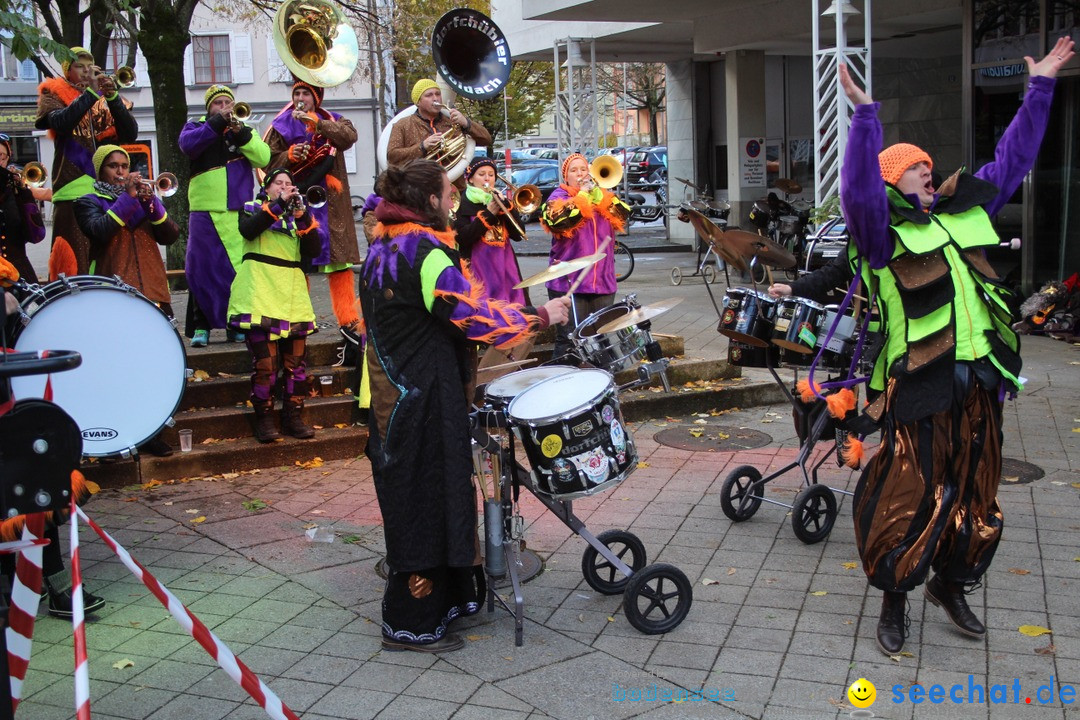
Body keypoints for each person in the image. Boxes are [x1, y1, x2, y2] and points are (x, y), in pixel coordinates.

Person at [837, 37, 1075, 657]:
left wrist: (1041, 87)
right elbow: (857, 190)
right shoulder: (880, 232)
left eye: (927, 161)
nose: (928, 165)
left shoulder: (967, 209)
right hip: (919, 386)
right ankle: (895, 596)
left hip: (982, 381)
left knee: (976, 492)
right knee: (911, 492)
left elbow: (1013, 158)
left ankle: (951, 583)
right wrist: (866, 120)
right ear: (894, 176)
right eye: (914, 163)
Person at [360, 159, 570, 653]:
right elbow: (470, 318)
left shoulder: (384, 244)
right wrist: (539, 315)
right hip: (421, 402)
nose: (454, 202)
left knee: (422, 498)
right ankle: (410, 624)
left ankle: (443, 604)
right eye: (447, 194)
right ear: (430, 201)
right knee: (426, 501)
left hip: (398, 399)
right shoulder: (425, 251)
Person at [72, 144, 179, 457]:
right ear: (100, 171)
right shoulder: (88, 201)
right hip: (114, 294)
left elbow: (170, 235)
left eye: (124, 165)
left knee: (158, 366)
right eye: (113, 166)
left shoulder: (143, 200)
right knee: (117, 368)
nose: (121, 171)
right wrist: (128, 198)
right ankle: (116, 434)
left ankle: (153, 431)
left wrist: (151, 203)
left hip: (154, 290)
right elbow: (100, 231)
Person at [265, 78, 364, 346]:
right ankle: (301, 316)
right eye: (297, 92)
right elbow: (267, 160)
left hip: (332, 204)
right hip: (298, 200)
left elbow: (349, 137)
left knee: (340, 263)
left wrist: (315, 123)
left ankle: (347, 319)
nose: (300, 97)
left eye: (306, 94)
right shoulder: (280, 124)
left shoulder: (334, 120)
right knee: (299, 263)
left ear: (316, 98)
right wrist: (290, 155)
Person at [228, 168, 319, 443]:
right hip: (259, 293)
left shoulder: (298, 217)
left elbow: (313, 252)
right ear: (266, 188)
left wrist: (303, 217)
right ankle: (264, 419)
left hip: (291, 295)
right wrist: (279, 205)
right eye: (278, 183)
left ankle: (293, 416)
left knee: (296, 364)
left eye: (289, 184)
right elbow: (248, 229)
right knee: (266, 365)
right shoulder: (251, 208)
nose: (285, 187)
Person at [179, 85, 270, 348]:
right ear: (209, 108)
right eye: (218, 104)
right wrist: (217, 124)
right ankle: (201, 326)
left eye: (227, 103)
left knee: (235, 270)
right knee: (200, 268)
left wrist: (241, 134)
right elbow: (188, 146)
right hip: (204, 209)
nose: (224, 108)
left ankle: (235, 323)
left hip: (235, 208)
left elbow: (263, 157)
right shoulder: (195, 128)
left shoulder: (243, 131)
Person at [35, 46, 138, 279]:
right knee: (72, 261)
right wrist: (90, 94)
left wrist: (111, 97)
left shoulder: (104, 98)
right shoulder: (54, 93)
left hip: (106, 191)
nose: (85, 71)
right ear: (67, 71)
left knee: (106, 259)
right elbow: (60, 123)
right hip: (71, 189)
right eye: (79, 66)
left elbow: (130, 133)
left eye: (89, 66)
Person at [540, 152, 631, 362]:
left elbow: (624, 215)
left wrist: (601, 198)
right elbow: (557, 221)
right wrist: (581, 197)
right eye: (574, 170)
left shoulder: (603, 197)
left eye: (583, 169)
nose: (580, 174)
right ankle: (559, 385)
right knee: (569, 340)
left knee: (601, 339)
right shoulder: (558, 197)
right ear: (566, 177)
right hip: (568, 281)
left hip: (602, 281)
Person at [385, 79, 492, 190]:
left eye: (438, 94)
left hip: (456, 189)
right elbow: (392, 157)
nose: (435, 98)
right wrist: (422, 147)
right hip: (421, 192)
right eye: (429, 95)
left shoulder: (453, 121)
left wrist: (466, 122)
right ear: (418, 102)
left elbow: (487, 139)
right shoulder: (403, 125)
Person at [0, 135, 46, 284]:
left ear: (8, 159)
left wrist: (24, 194)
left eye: (1, 156)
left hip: (18, 268)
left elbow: (37, 236)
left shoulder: (16, 191)